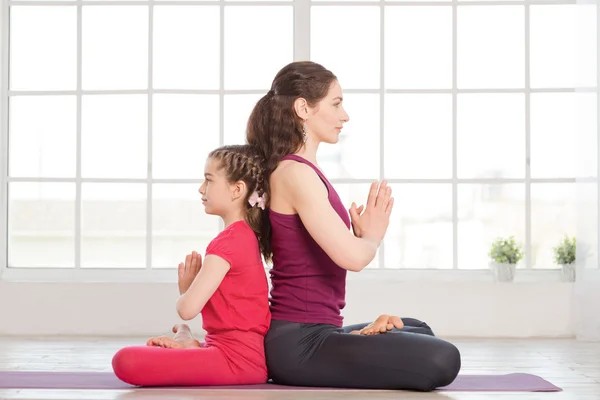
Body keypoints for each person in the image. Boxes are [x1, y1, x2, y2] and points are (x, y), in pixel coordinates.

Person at [246, 61, 462, 391]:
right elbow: (354, 258)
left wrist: (360, 238)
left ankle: (363, 338)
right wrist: (372, 236)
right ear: (303, 108)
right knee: (443, 359)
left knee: (418, 328)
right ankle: (362, 343)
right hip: (300, 345)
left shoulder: (302, 170)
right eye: (336, 103)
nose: (344, 115)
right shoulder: (295, 174)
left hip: (318, 334)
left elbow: (338, 251)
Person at [111, 144, 271, 387]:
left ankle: (188, 344)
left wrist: (186, 289)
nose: (201, 189)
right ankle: (188, 341)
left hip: (238, 361)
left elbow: (187, 309)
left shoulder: (228, 242)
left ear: (237, 189)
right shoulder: (245, 235)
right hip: (233, 353)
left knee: (125, 361)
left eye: (209, 180)